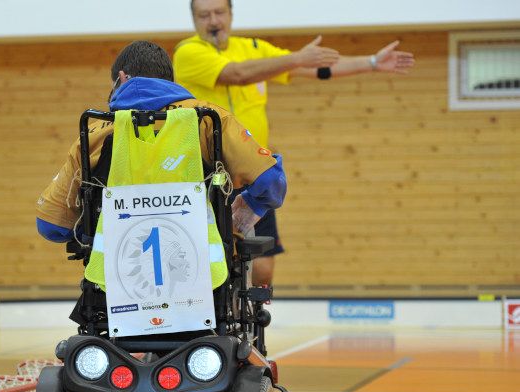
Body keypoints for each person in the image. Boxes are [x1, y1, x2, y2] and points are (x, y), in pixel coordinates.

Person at [174, 0, 415, 286]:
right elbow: (238, 74)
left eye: (219, 13)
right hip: (212, 173)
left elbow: (313, 68)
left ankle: (254, 323)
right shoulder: (188, 52)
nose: (213, 21)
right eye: (204, 15)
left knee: (263, 267)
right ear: (194, 20)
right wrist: (296, 58)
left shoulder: (253, 48)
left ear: (230, 15)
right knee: (216, 259)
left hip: (254, 175)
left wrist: (371, 63)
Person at [35, 40, 287, 268]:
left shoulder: (93, 133)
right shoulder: (210, 119)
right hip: (206, 270)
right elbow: (270, 181)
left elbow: (52, 226)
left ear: (122, 79)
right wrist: (251, 205)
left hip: (117, 272)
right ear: (170, 81)